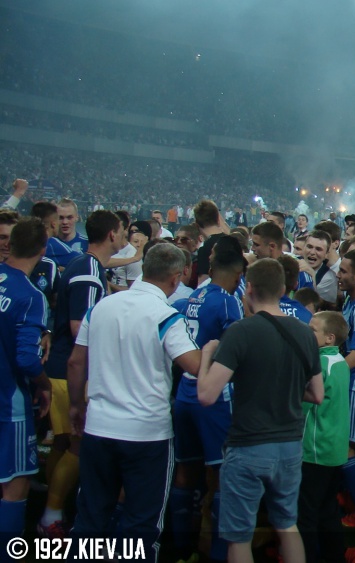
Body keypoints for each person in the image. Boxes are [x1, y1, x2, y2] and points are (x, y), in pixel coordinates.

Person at [68, 244, 203, 560]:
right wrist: (209, 351)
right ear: (177, 277)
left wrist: (76, 405)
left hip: (99, 427)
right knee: (141, 525)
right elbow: (194, 366)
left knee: (90, 519)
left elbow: (75, 362)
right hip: (147, 435)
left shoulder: (101, 307)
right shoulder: (165, 315)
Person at [198, 258, 325, 563]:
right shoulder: (305, 332)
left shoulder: (241, 331)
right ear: (283, 290)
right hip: (289, 447)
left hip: (249, 446)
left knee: (238, 538)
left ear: (249, 288)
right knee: (287, 525)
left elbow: (206, 394)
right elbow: (317, 394)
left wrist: (206, 357)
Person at [39, 210, 125, 538]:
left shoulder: (83, 263)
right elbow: (80, 327)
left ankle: (52, 510)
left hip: (59, 366)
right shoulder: (89, 270)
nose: (124, 236)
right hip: (70, 369)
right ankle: (51, 516)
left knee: (62, 443)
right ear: (112, 234)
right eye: (122, 231)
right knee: (78, 446)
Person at [169, 236, 245, 563]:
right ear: (238, 274)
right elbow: (237, 351)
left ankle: (179, 547)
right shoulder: (228, 302)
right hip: (213, 395)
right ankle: (216, 553)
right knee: (221, 475)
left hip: (184, 391)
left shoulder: (194, 295)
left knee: (185, 469)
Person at [0, 218, 52, 549]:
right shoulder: (31, 296)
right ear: (42, 251)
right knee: (15, 486)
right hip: (10, 406)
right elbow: (27, 359)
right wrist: (44, 384)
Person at [298, 311, 351, 563]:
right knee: (328, 510)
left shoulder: (318, 364)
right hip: (335, 448)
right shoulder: (340, 361)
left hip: (315, 448)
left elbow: (303, 405)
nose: (307, 333)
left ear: (329, 338)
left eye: (312, 330)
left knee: (306, 514)